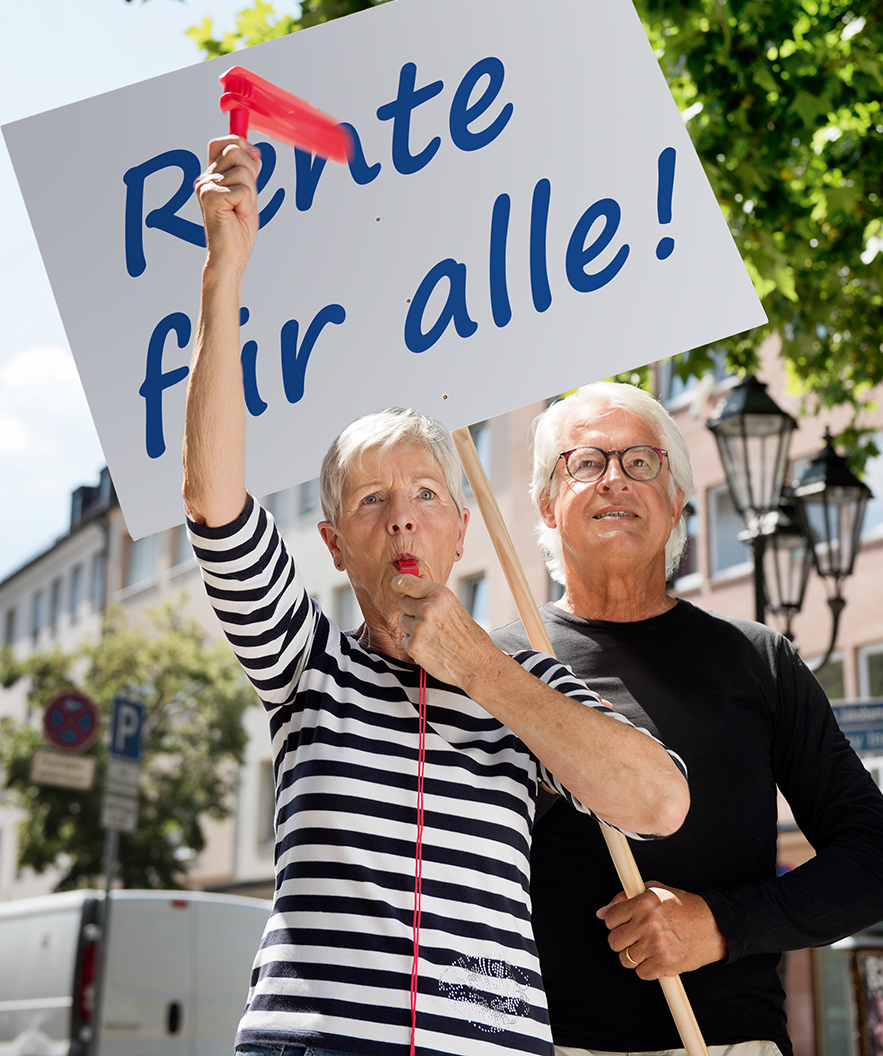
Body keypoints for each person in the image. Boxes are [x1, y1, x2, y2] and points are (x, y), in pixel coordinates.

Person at [182, 134, 690, 1056]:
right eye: (370, 502)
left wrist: (480, 671)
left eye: (424, 495)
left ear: (460, 530)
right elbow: (213, 502)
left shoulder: (525, 682)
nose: (402, 521)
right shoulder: (304, 663)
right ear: (335, 545)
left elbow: (657, 802)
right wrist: (225, 268)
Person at [493, 381, 883, 1056]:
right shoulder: (493, 669)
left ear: (676, 501)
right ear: (546, 503)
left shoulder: (757, 660)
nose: (615, 478)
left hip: (728, 1043)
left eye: (641, 461)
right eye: (585, 462)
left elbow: (871, 858)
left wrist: (722, 923)